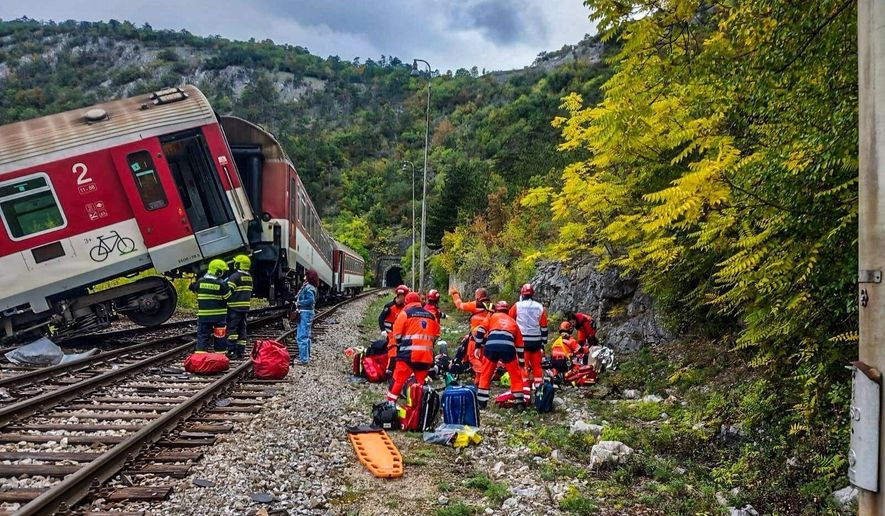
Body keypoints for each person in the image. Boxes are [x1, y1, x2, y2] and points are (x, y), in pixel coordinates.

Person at [385, 292, 440, 404]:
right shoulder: (431, 315)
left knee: (398, 381)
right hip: (425, 357)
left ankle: (390, 404)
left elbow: (397, 335)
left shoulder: (405, 313)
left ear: (407, 302)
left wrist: (401, 344)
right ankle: (417, 408)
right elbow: (436, 335)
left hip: (408, 355)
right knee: (419, 385)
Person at [473, 301, 525, 409]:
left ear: (497, 309)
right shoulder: (513, 322)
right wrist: (521, 361)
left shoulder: (492, 317)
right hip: (508, 347)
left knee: (486, 373)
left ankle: (481, 403)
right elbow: (520, 345)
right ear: (507, 311)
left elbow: (481, 330)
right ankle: (519, 402)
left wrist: (478, 346)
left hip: (491, 346)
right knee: (515, 375)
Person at [509, 283, 548, 396]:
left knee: (523, 366)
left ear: (522, 293)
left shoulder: (517, 306)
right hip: (536, 341)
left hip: (522, 341)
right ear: (532, 294)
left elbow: (510, 321)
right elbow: (544, 327)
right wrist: (543, 342)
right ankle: (539, 390)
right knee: (537, 367)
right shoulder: (540, 307)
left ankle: (525, 391)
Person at [449, 286, 494, 381]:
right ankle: (479, 382)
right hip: (488, 337)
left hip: (476, 336)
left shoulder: (476, 304)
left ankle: (484, 375)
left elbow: (459, 305)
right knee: (481, 359)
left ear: (478, 296)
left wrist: (455, 294)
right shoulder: (492, 306)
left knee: (472, 357)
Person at [190, 259, 232, 353]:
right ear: (218, 271)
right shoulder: (222, 284)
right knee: (220, 337)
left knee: (203, 336)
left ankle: (200, 357)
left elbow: (195, 290)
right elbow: (228, 297)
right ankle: (220, 356)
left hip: (204, 316)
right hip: (219, 317)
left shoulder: (200, 282)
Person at [225, 254, 253, 359]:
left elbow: (228, 292)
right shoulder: (249, 277)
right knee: (242, 329)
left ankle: (232, 351)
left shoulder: (235, 277)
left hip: (234, 307)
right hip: (245, 308)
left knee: (232, 329)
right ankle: (241, 351)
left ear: (239, 264)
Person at [380, 285, 410, 376]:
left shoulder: (405, 307)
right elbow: (381, 318)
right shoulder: (389, 306)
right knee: (393, 348)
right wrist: (383, 330)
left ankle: (402, 368)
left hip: (400, 333)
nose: (406, 298)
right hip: (390, 332)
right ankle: (389, 370)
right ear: (400, 295)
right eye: (405, 296)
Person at [295, 269, 319, 365]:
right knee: (307, 335)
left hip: (305, 312)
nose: (304, 277)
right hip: (308, 312)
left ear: (309, 276)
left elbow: (310, 300)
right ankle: (306, 357)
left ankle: (304, 359)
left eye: (306, 275)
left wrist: (299, 303)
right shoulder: (311, 287)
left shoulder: (308, 287)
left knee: (301, 336)